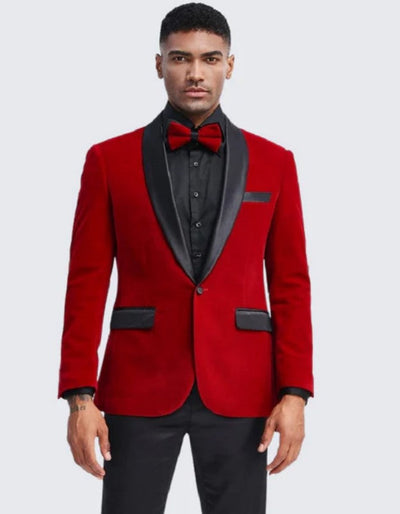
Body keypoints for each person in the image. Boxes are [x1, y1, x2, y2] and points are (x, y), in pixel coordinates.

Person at [57, 3, 314, 513]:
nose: (195, 72)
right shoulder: (108, 161)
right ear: (159, 64)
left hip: (243, 387)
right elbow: (85, 283)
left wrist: (296, 393)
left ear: (229, 65)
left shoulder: (275, 163)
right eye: (180, 58)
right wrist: (79, 397)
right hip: (137, 384)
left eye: (209, 58)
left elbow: (291, 283)